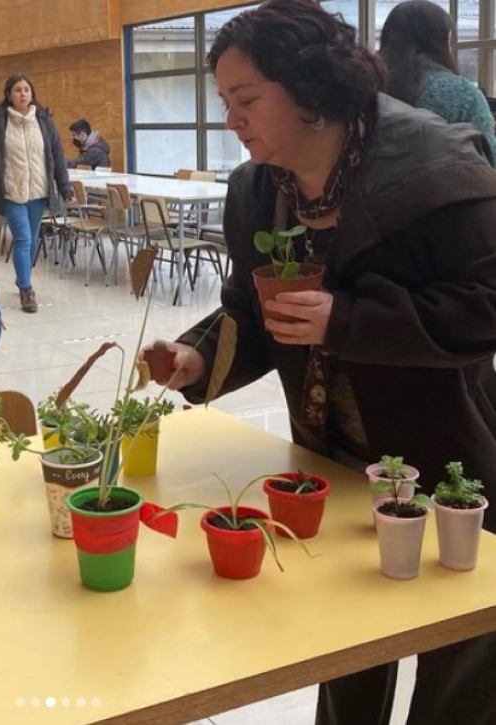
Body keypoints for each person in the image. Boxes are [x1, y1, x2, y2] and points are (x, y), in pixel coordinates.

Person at [148, 1, 496, 724]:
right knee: (349, 651)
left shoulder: (437, 166)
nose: (233, 120)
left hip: (445, 456)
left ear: (310, 89)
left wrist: (350, 321)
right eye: (225, 103)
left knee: (458, 670)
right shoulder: (258, 190)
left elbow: (486, 305)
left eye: (247, 100)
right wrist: (196, 354)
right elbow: (250, 308)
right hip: (332, 468)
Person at [0, 73, 72, 313]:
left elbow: (57, 155)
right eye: (17, 90)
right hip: (11, 191)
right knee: (23, 239)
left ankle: (22, 277)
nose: (23, 94)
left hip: (38, 191)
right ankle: (26, 289)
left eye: (26, 90)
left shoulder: (43, 120)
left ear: (32, 94)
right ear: (9, 95)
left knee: (32, 239)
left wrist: (65, 187)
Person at [380, 0, 496, 163]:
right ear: (440, 42)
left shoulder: (368, 89)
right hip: (451, 186)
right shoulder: (463, 94)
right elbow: (490, 164)